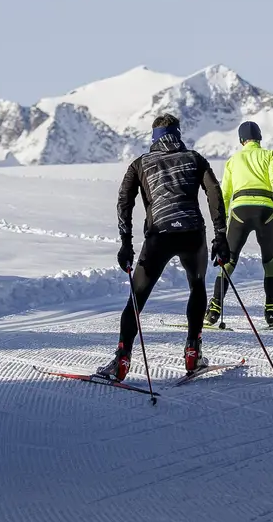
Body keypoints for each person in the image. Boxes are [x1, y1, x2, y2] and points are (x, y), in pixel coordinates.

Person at [97, 113, 228, 381]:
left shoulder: (140, 164)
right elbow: (214, 191)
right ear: (178, 134)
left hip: (159, 235)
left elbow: (124, 201)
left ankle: (122, 360)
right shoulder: (194, 158)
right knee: (197, 286)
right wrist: (221, 236)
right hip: (193, 234)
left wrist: (126, 244)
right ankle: (193, 353)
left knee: (137, 296)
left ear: (153, 137)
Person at [206, 120, 273, 328]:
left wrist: (221, 223)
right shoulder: (269, 155)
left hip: (239, 212)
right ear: (259, 138)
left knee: (229, 260)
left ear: (241, 140)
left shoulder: (232, 160)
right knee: (268, 261)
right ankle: (271, 311)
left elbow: (225, 193)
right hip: (266, 211)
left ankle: (213, 310)